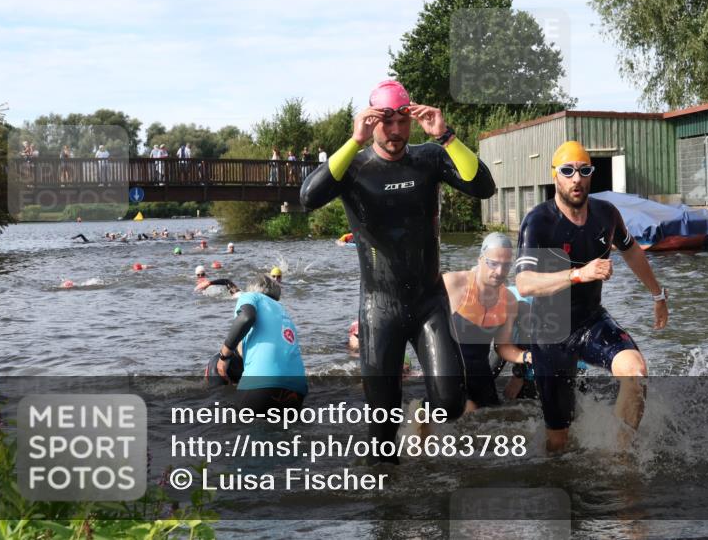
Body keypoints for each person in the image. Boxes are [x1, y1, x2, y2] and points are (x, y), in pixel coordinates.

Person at [301, 79, 496, 463]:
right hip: (380, 309)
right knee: (381, 430)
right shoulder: (353, 167)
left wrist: (447, 137)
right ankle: (386, 508)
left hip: (428, 302)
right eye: (385, 121)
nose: (394, 131)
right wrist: (353, 142)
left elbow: (484, 188)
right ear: (371, 122)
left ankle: (419, 421)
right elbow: (308, 197)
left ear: (411, 121)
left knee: (451, 402)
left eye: (401, 121)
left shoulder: (429, 158)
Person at [515, 141, 669, 454]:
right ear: (555, 176)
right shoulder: (539, 222)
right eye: (568, 171)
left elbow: (631, 251)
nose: (576, 178)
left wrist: (658, 293)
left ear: (591, 175)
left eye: (584, 171)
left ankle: (619, 458)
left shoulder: (606, 214)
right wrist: (577, 274)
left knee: (636, 372)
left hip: (590, 320)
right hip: (550, 332)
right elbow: (525, 282)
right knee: (558, 442)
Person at [442, 233, 527, 412]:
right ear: (480, 259)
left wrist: (526, 357)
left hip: (480, 373)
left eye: (506, 265)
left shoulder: (509, 300)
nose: (499, 271)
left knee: (497, 419)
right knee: (468, 411)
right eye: (493, 263)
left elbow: (502, 347)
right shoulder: (453, 283)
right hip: (448, 371)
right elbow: (417, 318)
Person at [211, 274, 307, 411]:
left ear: (251, 289)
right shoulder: (283, 312)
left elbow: (246, 317)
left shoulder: (251, 297)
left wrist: (224, 356)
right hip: (297, 392)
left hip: (262, 384)